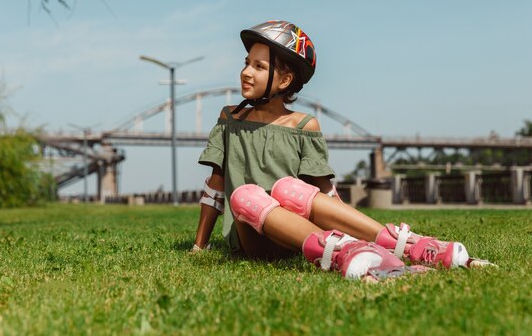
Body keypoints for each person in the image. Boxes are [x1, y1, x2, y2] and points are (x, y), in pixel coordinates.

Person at [193, 20, 492, 282]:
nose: (246, 72)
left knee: (288, 188)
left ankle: (403, 245)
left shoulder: (304, 125)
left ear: (284, 80)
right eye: (246, 63)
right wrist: (199, 245)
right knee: (245, 194)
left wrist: (352, 226)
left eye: (258, 67)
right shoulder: (229, 118)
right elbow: (216, 186)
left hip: (297, 235)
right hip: (252, 236)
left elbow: (324, 193)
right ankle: (342, 251)